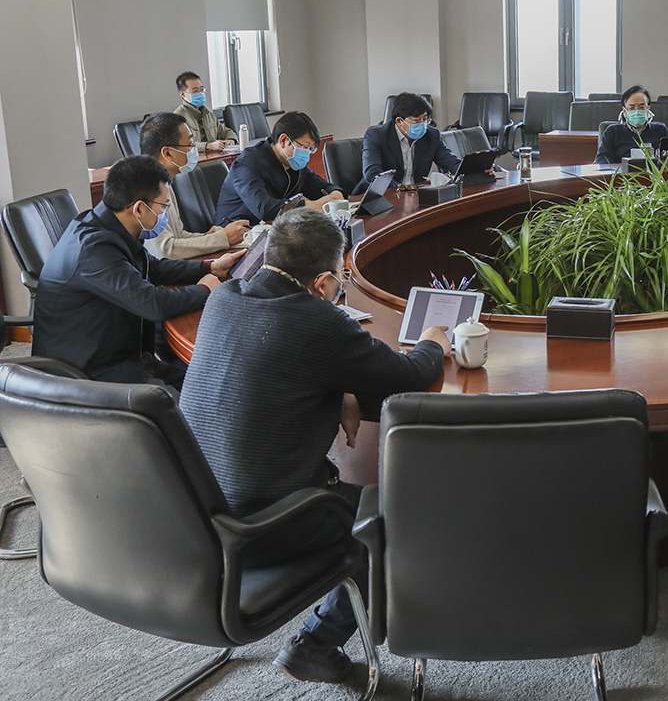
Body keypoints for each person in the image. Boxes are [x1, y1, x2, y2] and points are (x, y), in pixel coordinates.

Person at [179, 207, 451, 685]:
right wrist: (432, 340)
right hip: (263, 526)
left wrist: (337, 386)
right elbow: (410, 375)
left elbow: (273, 362)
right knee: (398, 514)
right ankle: (316, 644)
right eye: (341, 280)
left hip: (192, 516)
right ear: (323, 282)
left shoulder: (223, 298)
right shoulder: (319, 322)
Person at [31, 155, 243, 387]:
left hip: (120, 355)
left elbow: (152, 267)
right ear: (139, 208)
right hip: (85, 373)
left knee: (207, 385)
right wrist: (205, 289)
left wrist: (209, 267)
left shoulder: (108, 226)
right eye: (163, 207)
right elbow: (154, 304)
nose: (164, 215)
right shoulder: (94, 248)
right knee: (193, 397)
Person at [139, 112, 250, 258]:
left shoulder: (164, 181)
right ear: (168, 153)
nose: (194, 150)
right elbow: (165, 250)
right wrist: (223, 238)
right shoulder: (146, 187)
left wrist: (209, 237)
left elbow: (179, 236)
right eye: (190, 145)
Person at [216, 111, 344, 225]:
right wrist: (312, 206)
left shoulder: (293, 165)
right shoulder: (247, 164)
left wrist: (335, 194)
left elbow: (322, 187)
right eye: (305, 147)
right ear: (283, 140)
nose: (307, 154)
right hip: (237, 233)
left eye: (311, 149)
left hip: (272, 230)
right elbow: (264, 208)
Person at [356, 92, 460, 194]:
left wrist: (466, 170)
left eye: (425, 119)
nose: (422, 125)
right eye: (416, 121)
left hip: (415, 194)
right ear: (399, 121)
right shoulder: (376, 135)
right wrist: (400, 188)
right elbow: (372, 172)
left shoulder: (432, 135)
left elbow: (451, 163)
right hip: (381, 194)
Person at [594, 85, 668, 164]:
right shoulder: (612, 132)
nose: (636, 111)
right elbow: (601, 159)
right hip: (621, 171)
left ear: (648, 109)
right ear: (625, 111)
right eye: (631, 108)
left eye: (642, 107)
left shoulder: (661, 130)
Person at [173, 71, 237, 153]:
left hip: (213, 156)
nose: (200, 93)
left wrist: (231, 139)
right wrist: (208, 146)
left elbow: (225, 131)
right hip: (195, 158)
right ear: (183, 94)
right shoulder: (178, 116)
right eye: (195, 91)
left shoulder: (207, 113)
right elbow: (182, 145)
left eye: (201, 89)